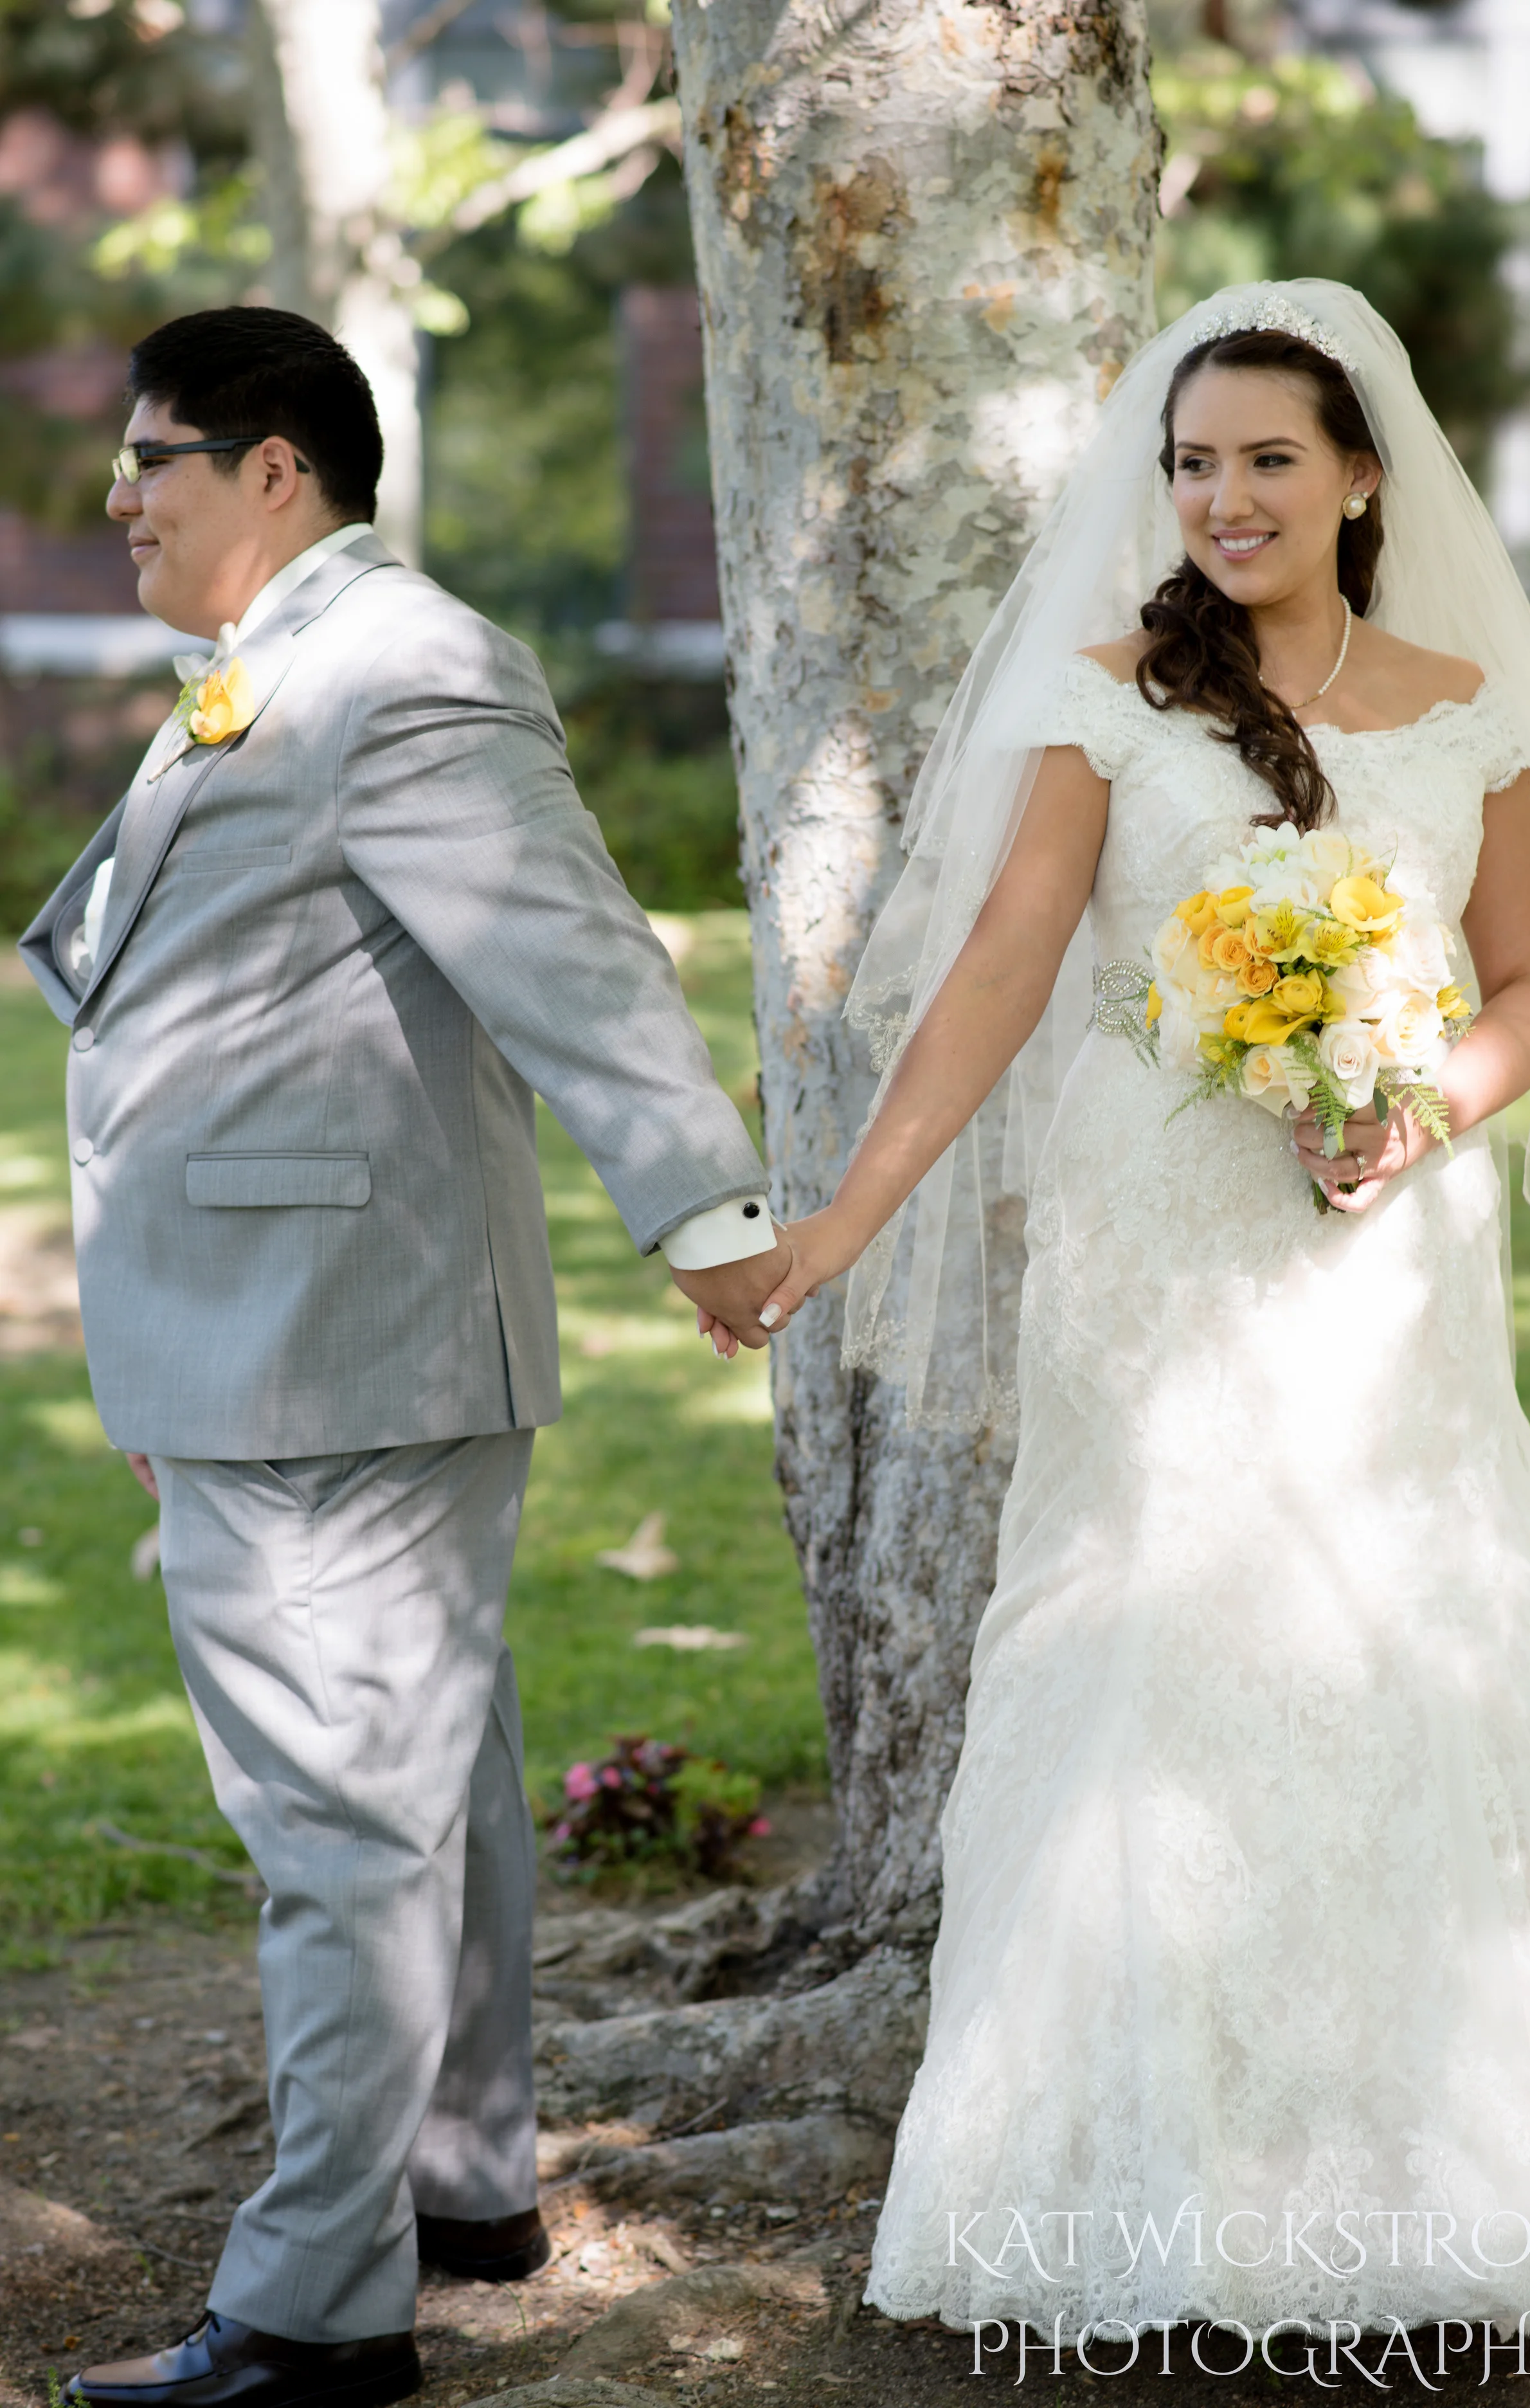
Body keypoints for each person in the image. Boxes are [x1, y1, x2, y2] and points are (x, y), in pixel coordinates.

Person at [756, 280, 1530, 2350]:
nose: (1222, 498)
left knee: (1392, 1639)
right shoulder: (1106, 693)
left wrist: (1418, 1108)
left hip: (1376, 1257)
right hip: (1152, 1250)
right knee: (1149, 1650)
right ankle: (1124, 2191)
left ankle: (1420, 2182)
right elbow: (998, 966)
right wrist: (843, 1215)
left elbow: (1524, 996)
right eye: (1191, 464)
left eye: (1265, 461)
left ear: (1360, 480)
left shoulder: (1467, 709)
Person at [19, 305, 793, 2408]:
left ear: (278, 466)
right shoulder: (282, 671)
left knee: (337, 1828)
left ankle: (309, 2311)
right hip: (290, 1333)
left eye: (152, 454)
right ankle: (460, 2183)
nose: (120, 496)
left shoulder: (404, 663)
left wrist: (709, 1217)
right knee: (425, 1780)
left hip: (329, 1348)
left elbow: (568, 949)